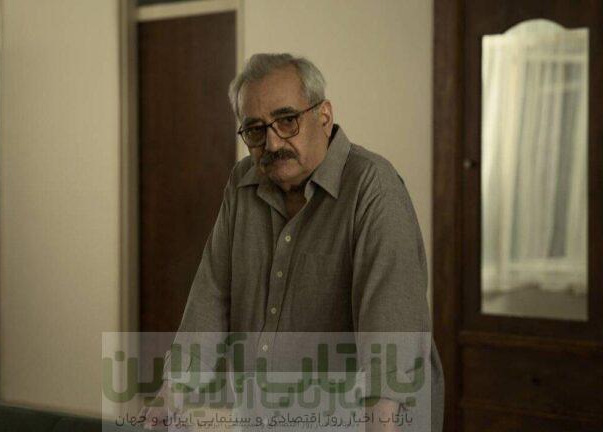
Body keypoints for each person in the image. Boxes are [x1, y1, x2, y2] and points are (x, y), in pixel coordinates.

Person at [139, 53, 444, 432]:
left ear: (324, 116)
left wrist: (381, 423)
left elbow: (391, 326)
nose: (272, 142)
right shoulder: (242, 183)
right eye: (254, 129)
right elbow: (211, 294)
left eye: (287, 120)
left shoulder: (373, 186)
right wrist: (172, 392)